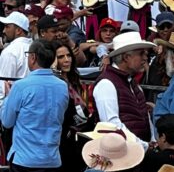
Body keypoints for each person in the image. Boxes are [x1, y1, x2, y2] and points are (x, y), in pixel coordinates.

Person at [0, 39, 69, 171]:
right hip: (52, 159)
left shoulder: (21, 86)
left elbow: (7, 122)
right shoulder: (62, 86)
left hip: (25, 160)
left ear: (33, 57)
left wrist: (8, 98)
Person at [93, 31, 156, 149]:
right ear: (126, 57)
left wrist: (152, 140)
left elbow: (145, 116)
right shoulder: (106, 84)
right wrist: (143, 145)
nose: (145, 58)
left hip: (137, 152)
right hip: (119, 155)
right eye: (141, 53)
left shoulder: (133, 84)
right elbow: (111, 125)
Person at [52, 41, 89, 172]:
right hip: (62, 138)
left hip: (80, 136)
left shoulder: (74, 79)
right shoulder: (54, 83)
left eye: (69, 55)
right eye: (61, 57)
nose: (66, 60)